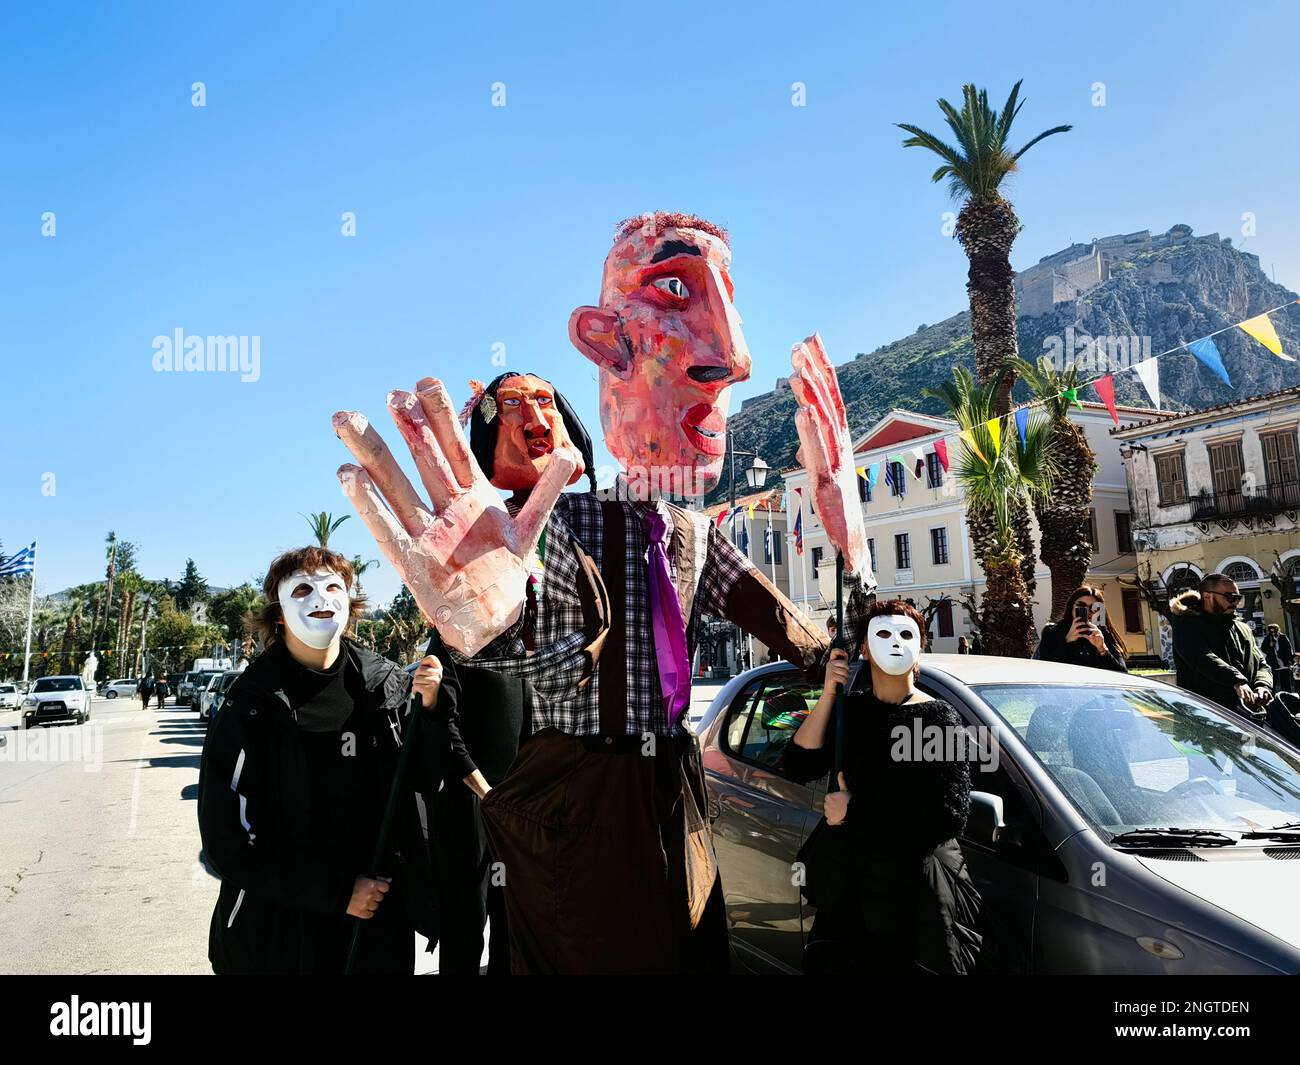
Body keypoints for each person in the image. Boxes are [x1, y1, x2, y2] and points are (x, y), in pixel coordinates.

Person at [334, 213, 876, 974]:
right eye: (513, 407)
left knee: (687, 951)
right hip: (576, 791)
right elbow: (521, 644)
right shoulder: (554, 525)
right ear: (604, 344)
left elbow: (788, 627)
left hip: (668, 783)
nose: (733, 359)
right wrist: (489, 628)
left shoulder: (690, 531)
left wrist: (865, 604)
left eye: (545, 403)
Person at [197, 546, 454, 974]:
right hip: (281, 936)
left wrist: (430, 713)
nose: (321, 599)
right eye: (301, 589)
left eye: (334, 587)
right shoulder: (250, 705)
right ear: (278, 614)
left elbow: (426, 783)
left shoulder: (386, 686)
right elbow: (227, 845)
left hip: (379, 925)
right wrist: (337, 892)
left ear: (350, 606)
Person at [782, 599, 979, 974]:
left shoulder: (939, 718)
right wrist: (828, 695)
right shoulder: (851, 711)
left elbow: (947, 815)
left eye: (907, 634)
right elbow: (799, 765)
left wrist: (854, 810)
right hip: (850, 888)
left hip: (910, 894)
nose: (895, 642)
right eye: (883, 633)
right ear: (864, 650)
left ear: (920, 647)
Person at [1170, 572, 1272, 715]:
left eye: (1238, 598)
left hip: (1247, 716)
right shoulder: (1186, 624)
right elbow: (1202, 657)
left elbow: (1260, 663)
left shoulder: (1242, 627)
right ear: (1207, 596)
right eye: (1229, 597)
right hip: (1203, 716)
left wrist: (1262, 686)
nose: (1234, 602)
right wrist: (1237, 681)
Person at [1035, 586, 1129, 672]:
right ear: (1071, 607)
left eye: (1094, 608)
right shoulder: (1052, 632)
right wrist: (1068, 642)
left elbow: (1122, 674)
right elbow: (1045, 670)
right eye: (1081, 606)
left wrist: (1102, 650)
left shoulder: (1104, 634)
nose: (1088, 612)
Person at [1263, 624, 1295, 694]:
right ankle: (1272, 696)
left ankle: (1287, 695)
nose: (1273, 633)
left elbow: (1289, 649)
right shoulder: (1268, 638)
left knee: (1285, 681)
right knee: (1272, 681)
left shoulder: (1283, 637)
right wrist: (1270, 646)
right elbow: (1263, 649)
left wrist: (1290, 660)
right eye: (1271, 632)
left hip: (1284, 662)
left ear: (1278, 630)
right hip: (1273, 662)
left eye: (1275, 631)